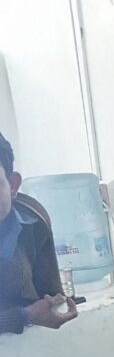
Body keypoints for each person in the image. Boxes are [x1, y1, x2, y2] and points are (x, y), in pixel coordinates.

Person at [0, 132, 77, 334]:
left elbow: (51, 297)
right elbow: (31, 313)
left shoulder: (34, 221)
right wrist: (23, 316)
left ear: (13, 185)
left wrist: (54, 307)